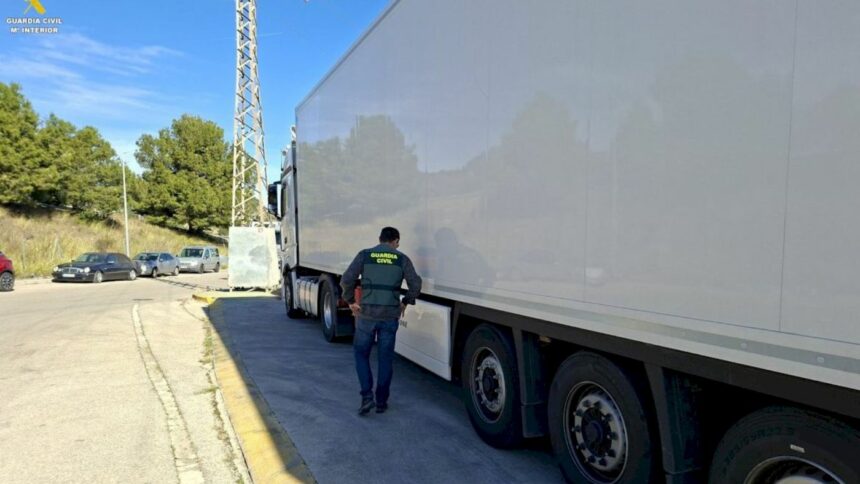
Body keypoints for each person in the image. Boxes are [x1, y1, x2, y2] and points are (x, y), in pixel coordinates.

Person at [341, 226, 422, 415]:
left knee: (361, 354)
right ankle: (381, 402)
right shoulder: (401, 258)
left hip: (366, 316)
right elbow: (416, 284)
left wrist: (351, 301)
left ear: (380, 239)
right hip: (389, 316)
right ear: (396, 241)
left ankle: (366, 397)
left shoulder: (365, 255)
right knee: (385, 359)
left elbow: (347, 279)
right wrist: (405, 301)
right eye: (397, 243)